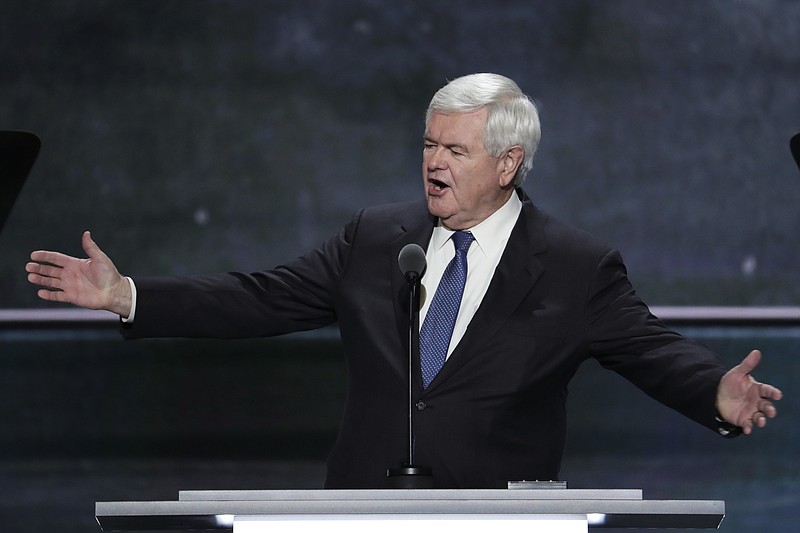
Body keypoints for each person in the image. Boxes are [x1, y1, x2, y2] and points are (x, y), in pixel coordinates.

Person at [26, 73, 781, 489]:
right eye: (428, 143)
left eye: (456, 148)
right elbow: (262, 296)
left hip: (497, 517)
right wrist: (129, 295)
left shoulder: (576, 264)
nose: (434, 162)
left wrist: (713, 391)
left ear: (509, 163)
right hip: (363, 506)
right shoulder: (376, 237)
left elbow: (647, 346)